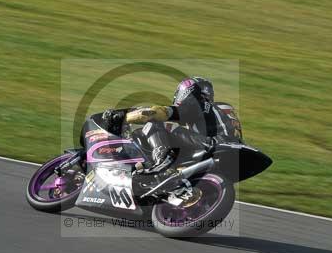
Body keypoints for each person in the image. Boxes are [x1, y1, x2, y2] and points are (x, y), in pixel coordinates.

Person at [101, 77, 242, 197]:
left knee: (156, 124)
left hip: (213, 144)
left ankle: (161, 164)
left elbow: (157, 113)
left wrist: (124, 116)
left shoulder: (197, 103)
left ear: (186, 90)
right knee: (170, 141)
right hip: (226, 150)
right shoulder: (217, 110)